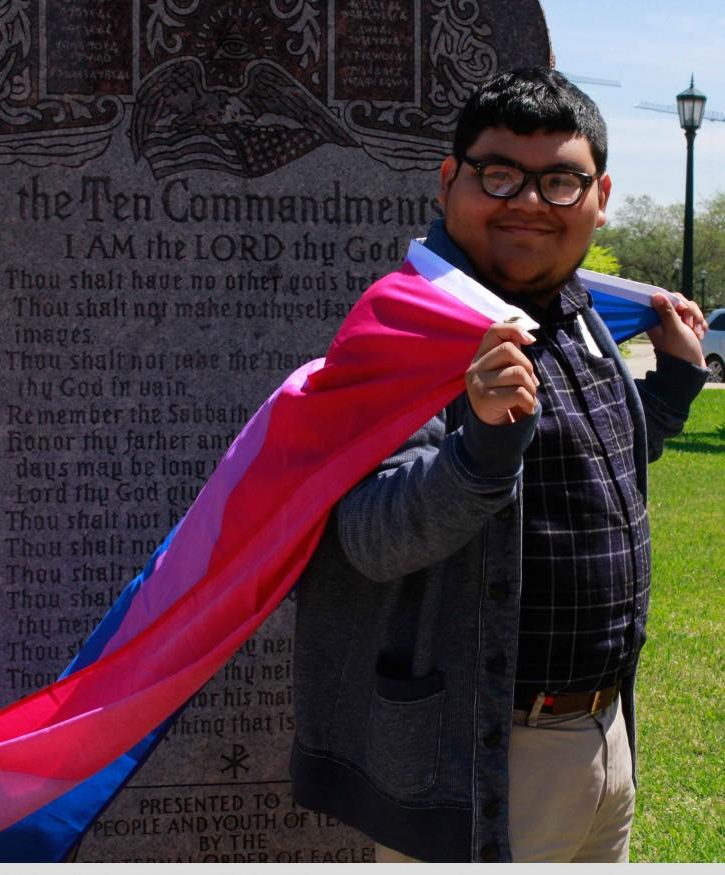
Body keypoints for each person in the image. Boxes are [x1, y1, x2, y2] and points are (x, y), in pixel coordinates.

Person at [289, 68, 708, 863]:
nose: (528, 202)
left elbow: (598, 464)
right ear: (451, 180)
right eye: (500, 174)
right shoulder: (406, 332)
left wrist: (678, 379)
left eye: (559, 181)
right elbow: (373, 537)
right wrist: (479, 443)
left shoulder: (582, 319)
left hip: (605, 732)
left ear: (600, 194)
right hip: (486, 751)